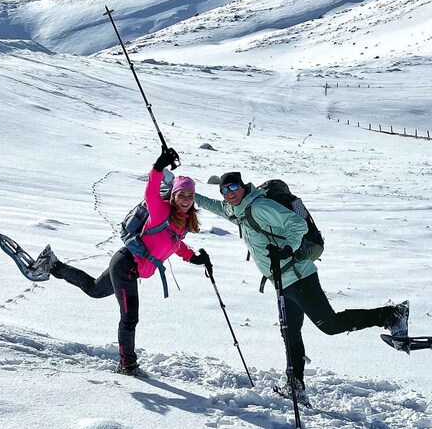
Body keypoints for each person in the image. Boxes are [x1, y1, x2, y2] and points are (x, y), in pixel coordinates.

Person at [194, 171, 408, 398]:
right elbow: (215, 206)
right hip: (282, 282)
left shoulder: (259, 207)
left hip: (299, 277)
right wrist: (187, 193)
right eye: (224, 190)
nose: (228, 194)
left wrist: (288, 247)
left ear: (243, 186)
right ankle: (295, 386)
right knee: (290, 333)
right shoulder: (238, 211)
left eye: (233, 187)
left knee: (330, 325)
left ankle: (391, 314)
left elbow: (297, 225)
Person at [27, 148, 211, 376]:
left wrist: (195, 258)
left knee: (94, 289)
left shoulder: (182, 223)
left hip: (129, 268)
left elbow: (176, 244)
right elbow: (152, 193)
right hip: (125, 265)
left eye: (189, 196)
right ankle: (127, 365)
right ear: (173, 196)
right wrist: (157, 167)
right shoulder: (161, 210)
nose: (185, 200)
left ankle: (53, 265)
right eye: (181, 195)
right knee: (130, 317)